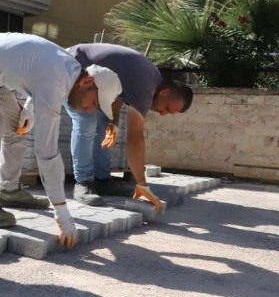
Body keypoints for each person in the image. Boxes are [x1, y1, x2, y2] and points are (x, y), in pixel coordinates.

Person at [0, 32, 127, 249]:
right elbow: (47, 153)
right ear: (88, 82)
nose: (90, 110)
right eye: (94, 102)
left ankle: (8, 190)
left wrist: (28, 108)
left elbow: (36, 74)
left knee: (18, 127)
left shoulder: (68, 69)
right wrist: (61, 211)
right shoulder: (57, 81)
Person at [65, 43, 193, 207]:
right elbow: (135, 139)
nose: (162, 113)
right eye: (166, 108)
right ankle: (83, 183)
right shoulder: (146, 87)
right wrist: (141, 183)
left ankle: (102, 180)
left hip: (94, 79)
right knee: (86, 122)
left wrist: (114, 122)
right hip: (71, 68)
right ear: (164, 92)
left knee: (105, 124)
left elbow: (119, 96)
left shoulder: (149, 79)